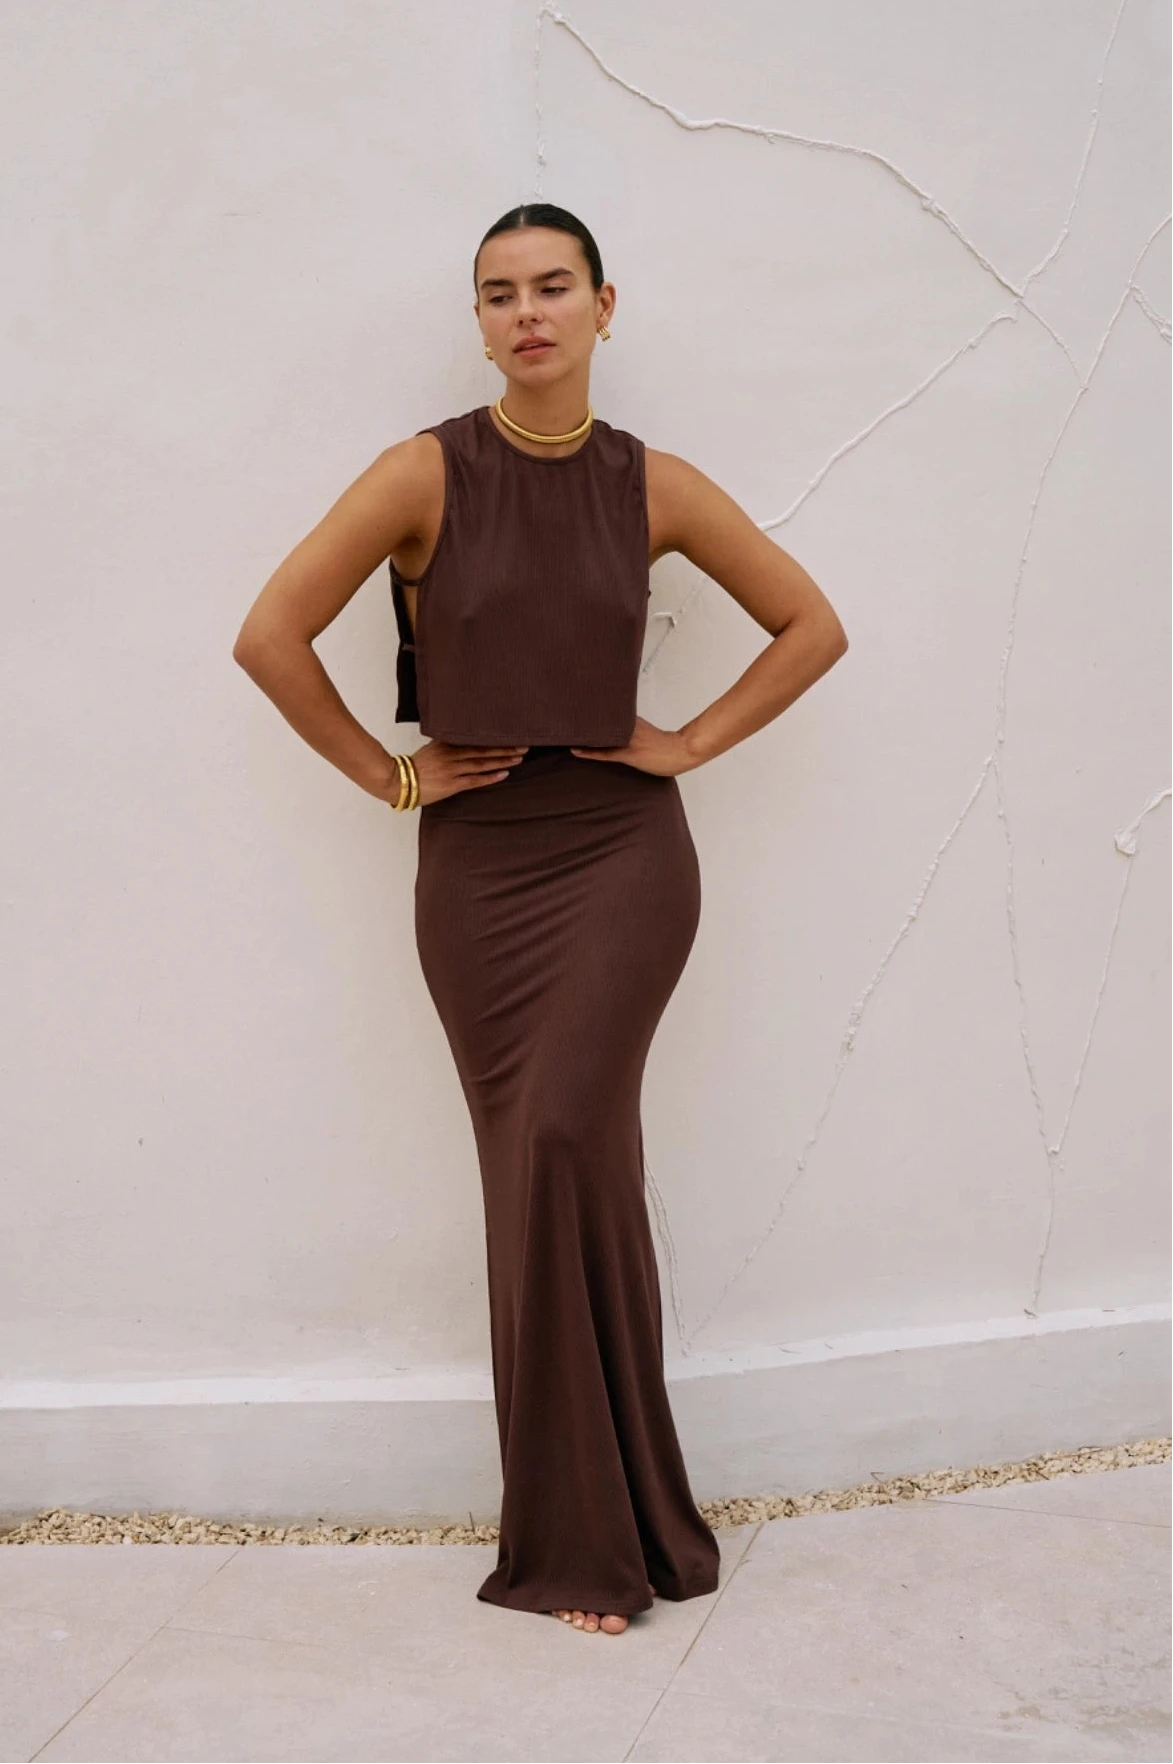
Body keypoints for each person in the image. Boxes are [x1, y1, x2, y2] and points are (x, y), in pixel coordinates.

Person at [232, 202, 848, 1637]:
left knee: (566, 1134)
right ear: (482, 318)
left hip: (624, 854)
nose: (529, 314)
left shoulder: (656, 486)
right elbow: (267, 634)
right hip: (477, 872)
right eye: (501, 292)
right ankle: (602, 1527)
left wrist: (686, 744)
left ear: (604, 307)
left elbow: (813, 626)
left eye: (554, 288)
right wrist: (390, 775)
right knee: (542, 1168)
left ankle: (598, 1535)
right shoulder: (421, 475)